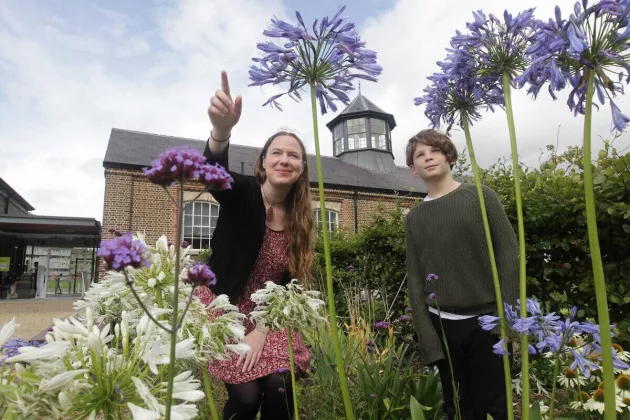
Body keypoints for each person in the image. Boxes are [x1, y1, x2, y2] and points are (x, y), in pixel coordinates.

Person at [194, 71, 314, 420]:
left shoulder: (301, 220)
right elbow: (212, 177)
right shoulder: (243, 193)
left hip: (269, 317)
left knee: (278, 388)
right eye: (276, 152)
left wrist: (263, 330)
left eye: (293, 155)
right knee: (247, 398)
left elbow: (290, 284)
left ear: (301, 168)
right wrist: (221, 132)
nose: (284, 159)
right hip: (226, 308)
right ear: (263, 162)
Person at [404, 129, 518, 420]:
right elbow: (415, 279)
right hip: (442, 325)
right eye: (419, 154)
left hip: (488, 322)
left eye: (435, 151)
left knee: (495, 408)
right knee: (458, 407)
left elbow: (509, 255)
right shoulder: (414, 218)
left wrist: (509, 320)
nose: (428, 157)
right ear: (412, 169)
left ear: (449, 157)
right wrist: (428, 337)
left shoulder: (481, 197)